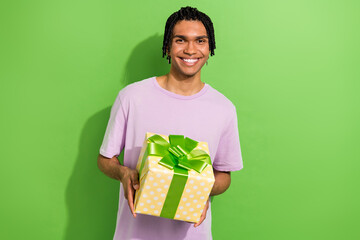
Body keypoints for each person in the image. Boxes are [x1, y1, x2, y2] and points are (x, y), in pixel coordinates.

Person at [98, 6, 243, 240]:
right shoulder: (132, 97)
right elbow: (105, 159)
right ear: (167, 46)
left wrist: (200, 187)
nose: (191, 50)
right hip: (133, 233)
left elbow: (224, 176)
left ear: (209, 47)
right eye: (180, 40)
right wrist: (124, 173)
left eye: (200, 41)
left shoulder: (223, 108)